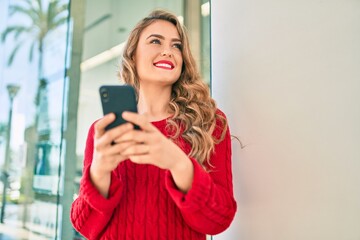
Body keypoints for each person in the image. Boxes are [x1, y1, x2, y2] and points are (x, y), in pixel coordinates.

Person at [70, 9, 237, 240]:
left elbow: (220, 219)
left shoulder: (209, 123)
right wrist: (99, 172)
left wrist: (179, 163)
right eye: (155, 41)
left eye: (176, 45)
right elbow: (85, 226)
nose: (168, 51)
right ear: (133, 55)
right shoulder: (104, 130)